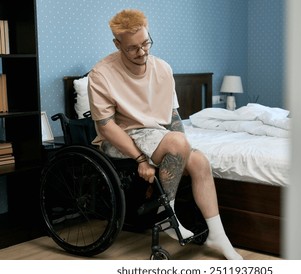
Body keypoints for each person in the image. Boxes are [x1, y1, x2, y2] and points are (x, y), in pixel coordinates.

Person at [87, 9, 242, 260]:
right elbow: (106, 126)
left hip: (158, 137)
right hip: (121, 138)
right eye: (133, 48)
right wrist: (139, 159)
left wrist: (185, 149)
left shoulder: (163, 69)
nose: (142, 52)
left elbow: (173, 118)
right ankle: (166, 215)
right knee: (176, 142)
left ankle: (217, 234)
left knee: (199, 160)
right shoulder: (101, 73)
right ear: (117, 44)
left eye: (146, 43)